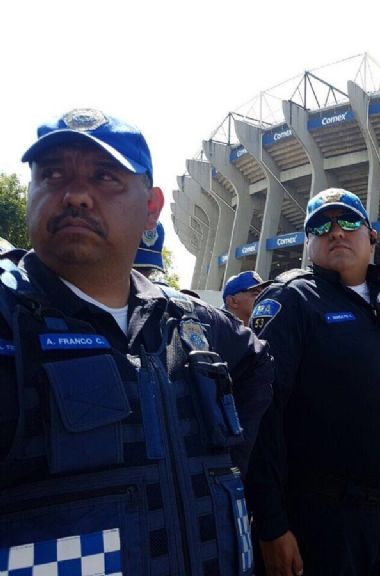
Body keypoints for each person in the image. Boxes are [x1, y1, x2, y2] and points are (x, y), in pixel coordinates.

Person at [0, 108, 274, 575]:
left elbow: (259, 364)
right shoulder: (10, 319)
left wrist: (221, 472)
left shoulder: (187, 321)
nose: (77, 195)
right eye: (52, 174)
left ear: (151, 207)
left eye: (105, 176)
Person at [248, 188, 380, 576]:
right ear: (309, 243)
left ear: (371, 236)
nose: (336, 232)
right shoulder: (293, 300)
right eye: (321, 225)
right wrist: (271, 524)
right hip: (322, 523)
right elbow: (261, 417)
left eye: (347, 221)